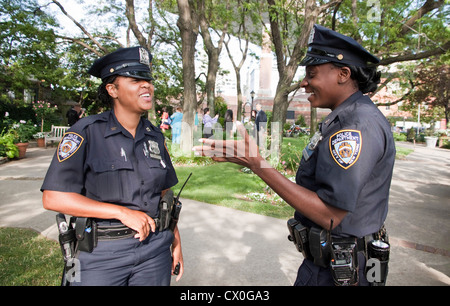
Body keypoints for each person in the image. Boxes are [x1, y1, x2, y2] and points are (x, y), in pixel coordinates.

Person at [194, 24, 395, 286]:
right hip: (340, 267)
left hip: (341, 274)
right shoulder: (347, 118)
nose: (304, 82)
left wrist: (258, 164)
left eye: (312, 74)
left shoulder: (355, 125)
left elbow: (329, 215)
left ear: (343, 74)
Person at [41, 46, 184, 286]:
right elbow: (54, 198)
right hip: (100, 253)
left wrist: (175, 240)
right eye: (136, 79)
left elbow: (164, 193)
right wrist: (121, 212)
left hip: (154, 251)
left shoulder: (154, 136)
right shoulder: (86, 132)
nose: (146, 85)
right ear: (112, 89)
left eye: (147, 79)